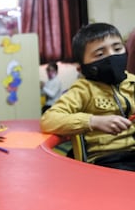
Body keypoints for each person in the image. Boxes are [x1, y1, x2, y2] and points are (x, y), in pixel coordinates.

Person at [41, 22, 135, 171]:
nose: (112, 55)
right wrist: (93, 121)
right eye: (100, 54)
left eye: (117, 49)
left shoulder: (132, 82)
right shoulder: (83, 89)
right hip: (106, 160)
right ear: (82, 66)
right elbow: (49, 120)